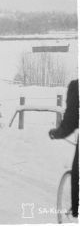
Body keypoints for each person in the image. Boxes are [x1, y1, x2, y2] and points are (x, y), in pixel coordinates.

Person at [49, 79, 79, 218]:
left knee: (76, 175)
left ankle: (75, 212)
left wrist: (58, 133)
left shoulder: (76, 86)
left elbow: (71, 120)